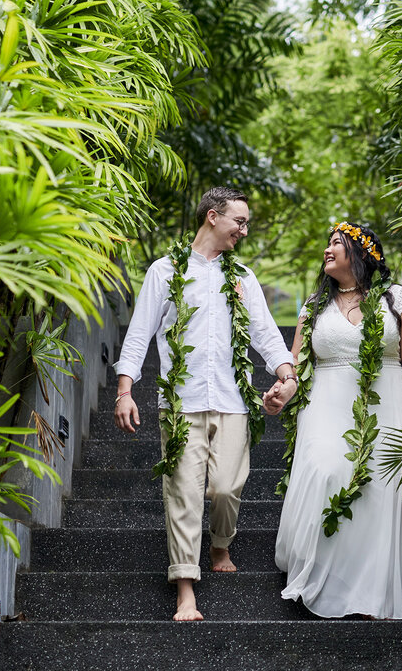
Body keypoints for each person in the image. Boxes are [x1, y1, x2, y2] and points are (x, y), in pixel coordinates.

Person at [114, 187, 297, 622]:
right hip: (181, 402)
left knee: (227, 487)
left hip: (233, 399)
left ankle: (220, 542)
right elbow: (140, 332)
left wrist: (286, 373)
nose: (244, 230)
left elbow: (266, 334)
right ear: (213, 217)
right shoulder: (164, 271)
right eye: (240, 221)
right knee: (182, 493)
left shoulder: (244, 277)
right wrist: (125, 390)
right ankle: (185, 591)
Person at [265, 222, 402, 619]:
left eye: (337, 244)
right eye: (327, 243)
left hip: (388, 399)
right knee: (325, 470)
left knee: (381, 488)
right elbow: (296, 365)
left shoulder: (396, 298)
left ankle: (373, 589)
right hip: (326, 403)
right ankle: (325, 576)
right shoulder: (313, 306)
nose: (327, 250)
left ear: (360, 255)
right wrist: (282, 394)